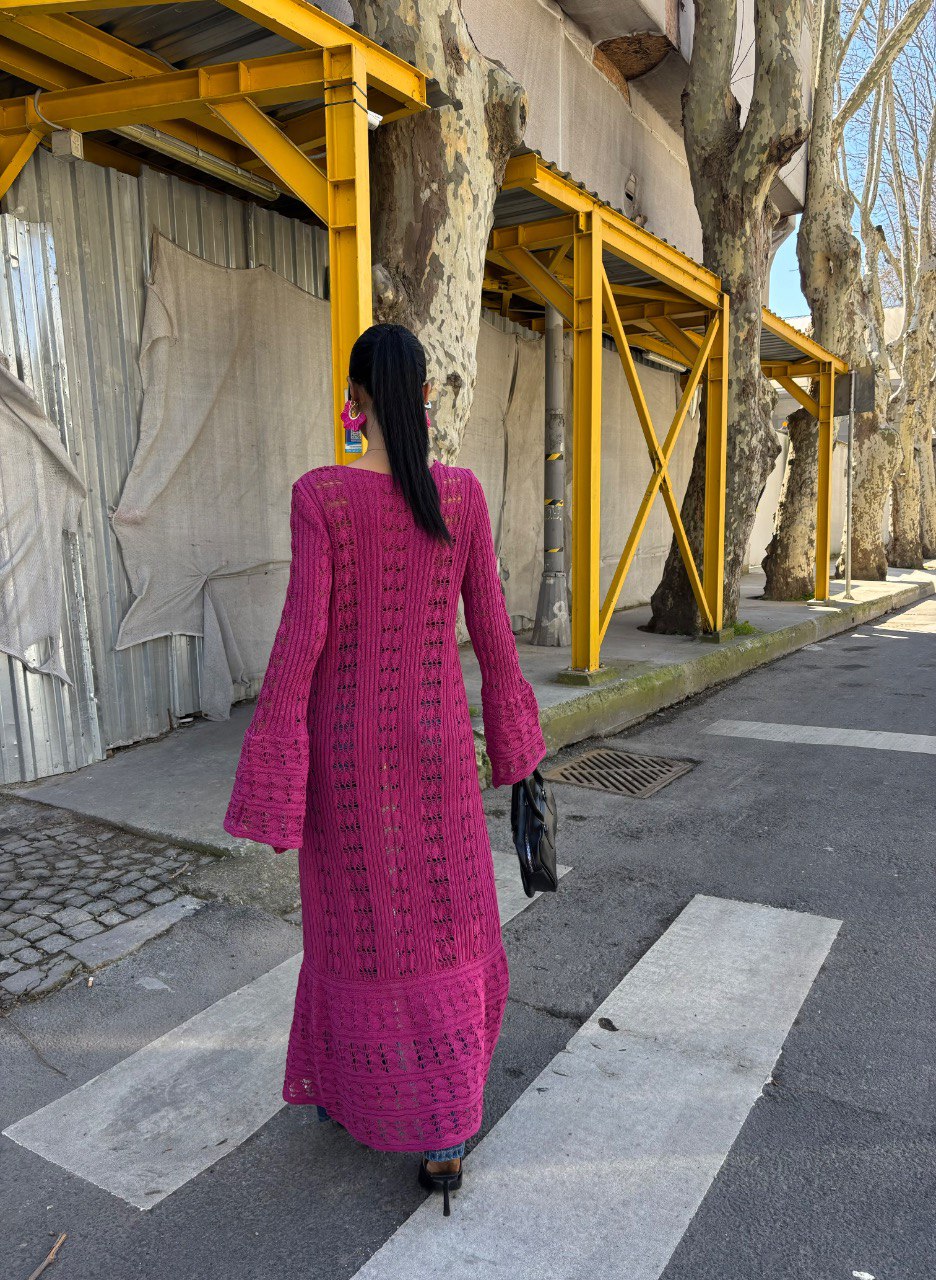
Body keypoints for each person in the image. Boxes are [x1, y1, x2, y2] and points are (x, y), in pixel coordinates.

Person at [223, 322, 545, 1217]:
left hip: (348, 758)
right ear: (426, 403)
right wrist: (516, 750)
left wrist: (273, 780)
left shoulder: (321, 495)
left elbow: (302, 640)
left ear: (356, 402)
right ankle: (445, 1134)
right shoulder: (464, 498)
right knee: (444, 921)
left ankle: (343, 1090)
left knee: (353, 923)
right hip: (437, 747)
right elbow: (492, 634)